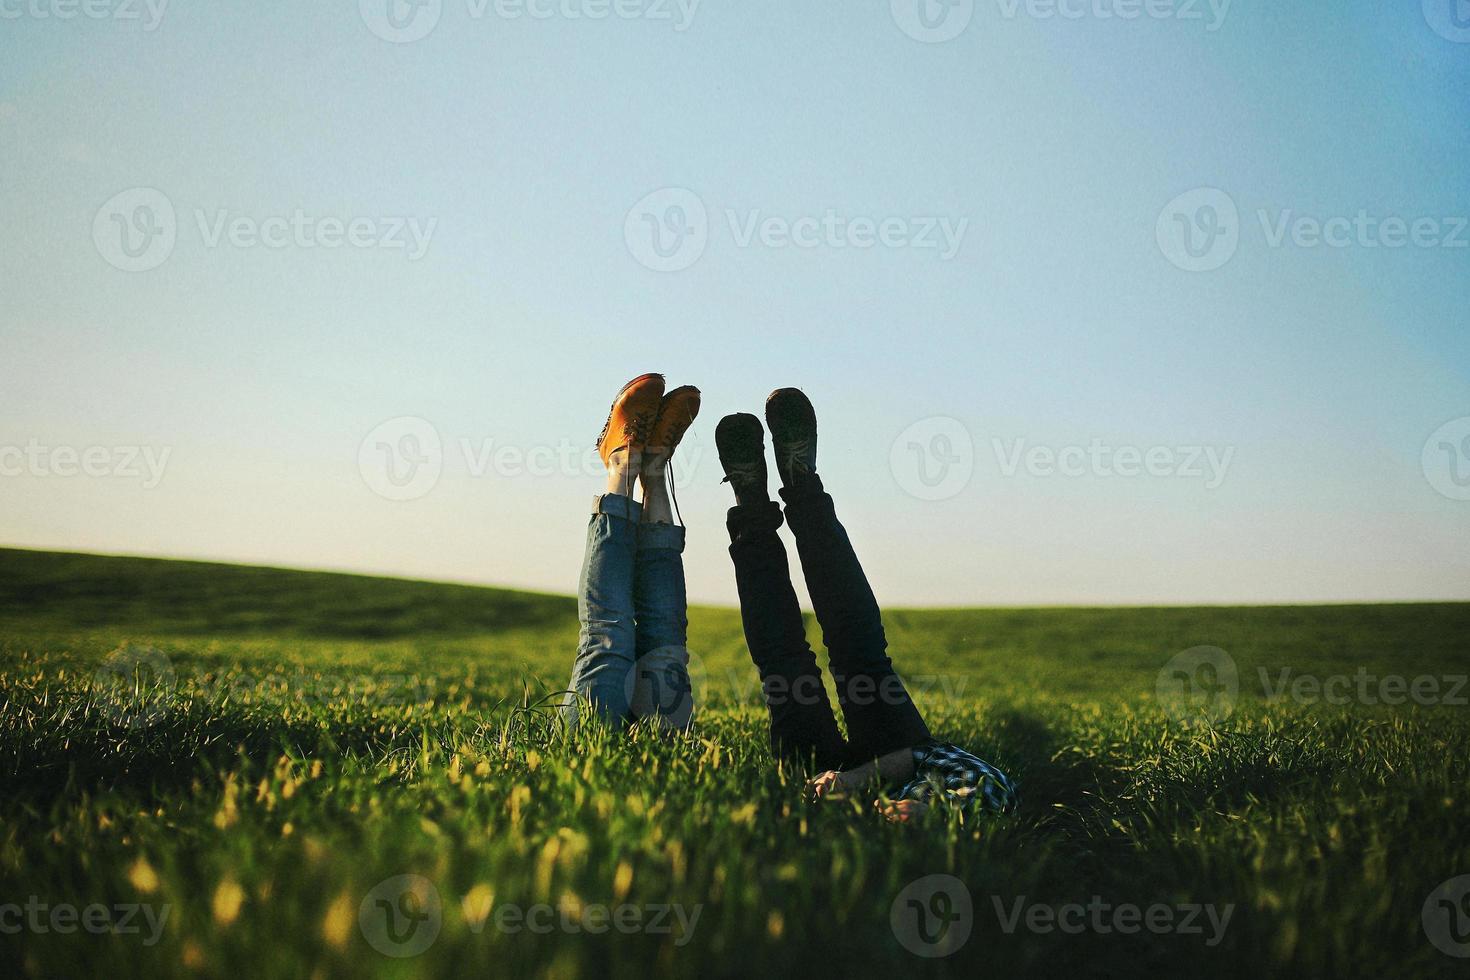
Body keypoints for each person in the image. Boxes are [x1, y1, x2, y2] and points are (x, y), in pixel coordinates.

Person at [716, 388, 1016, 822]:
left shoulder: (859, 845)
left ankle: (750, 504)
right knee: (859, 654)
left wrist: (855, 797)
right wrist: (858, 782)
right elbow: (938, 763)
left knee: (784, 670)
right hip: (895, 750)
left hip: (819, 781)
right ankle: (802, 484)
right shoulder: (980, 807)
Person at [562, 373, 701, 730]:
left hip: (589, 746)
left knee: (610, 635)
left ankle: (622, 465)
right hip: (662, 747)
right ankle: (650, 470)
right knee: (667, 643)